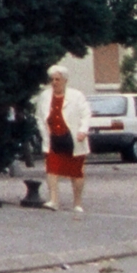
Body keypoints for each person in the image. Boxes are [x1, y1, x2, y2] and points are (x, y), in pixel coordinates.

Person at [39, 67, 91, 213]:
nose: (54, 83)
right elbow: (39, 116)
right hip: (53, 137)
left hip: (72, 138)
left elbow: (86, 115)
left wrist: (83, 130)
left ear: (65, 81)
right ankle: (53, 200)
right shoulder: (45, 96)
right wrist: (43, 131)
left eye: (57, 79)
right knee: (52, 169)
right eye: (52, 80)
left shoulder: (77, 96)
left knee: (76, 172)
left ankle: (77, 203)